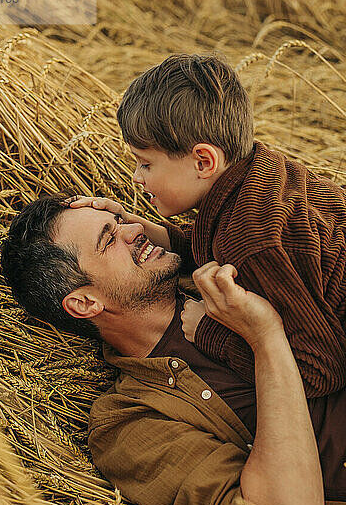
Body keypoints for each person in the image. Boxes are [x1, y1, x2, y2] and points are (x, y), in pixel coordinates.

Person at [1, 196, 346, 505]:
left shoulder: (230, 262)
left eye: (121, 221)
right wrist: (266, 339)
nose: (135, 229)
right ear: (86, 303)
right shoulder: (129, 422)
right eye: (109, 239)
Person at [69, 53, 346, 399]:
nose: (138, 178)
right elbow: (213, 242)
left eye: (146, 164)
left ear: (203, 161)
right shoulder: (263, 177)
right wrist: (140, 227)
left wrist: (210, 333)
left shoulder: (254, 241)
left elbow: (319, 370)